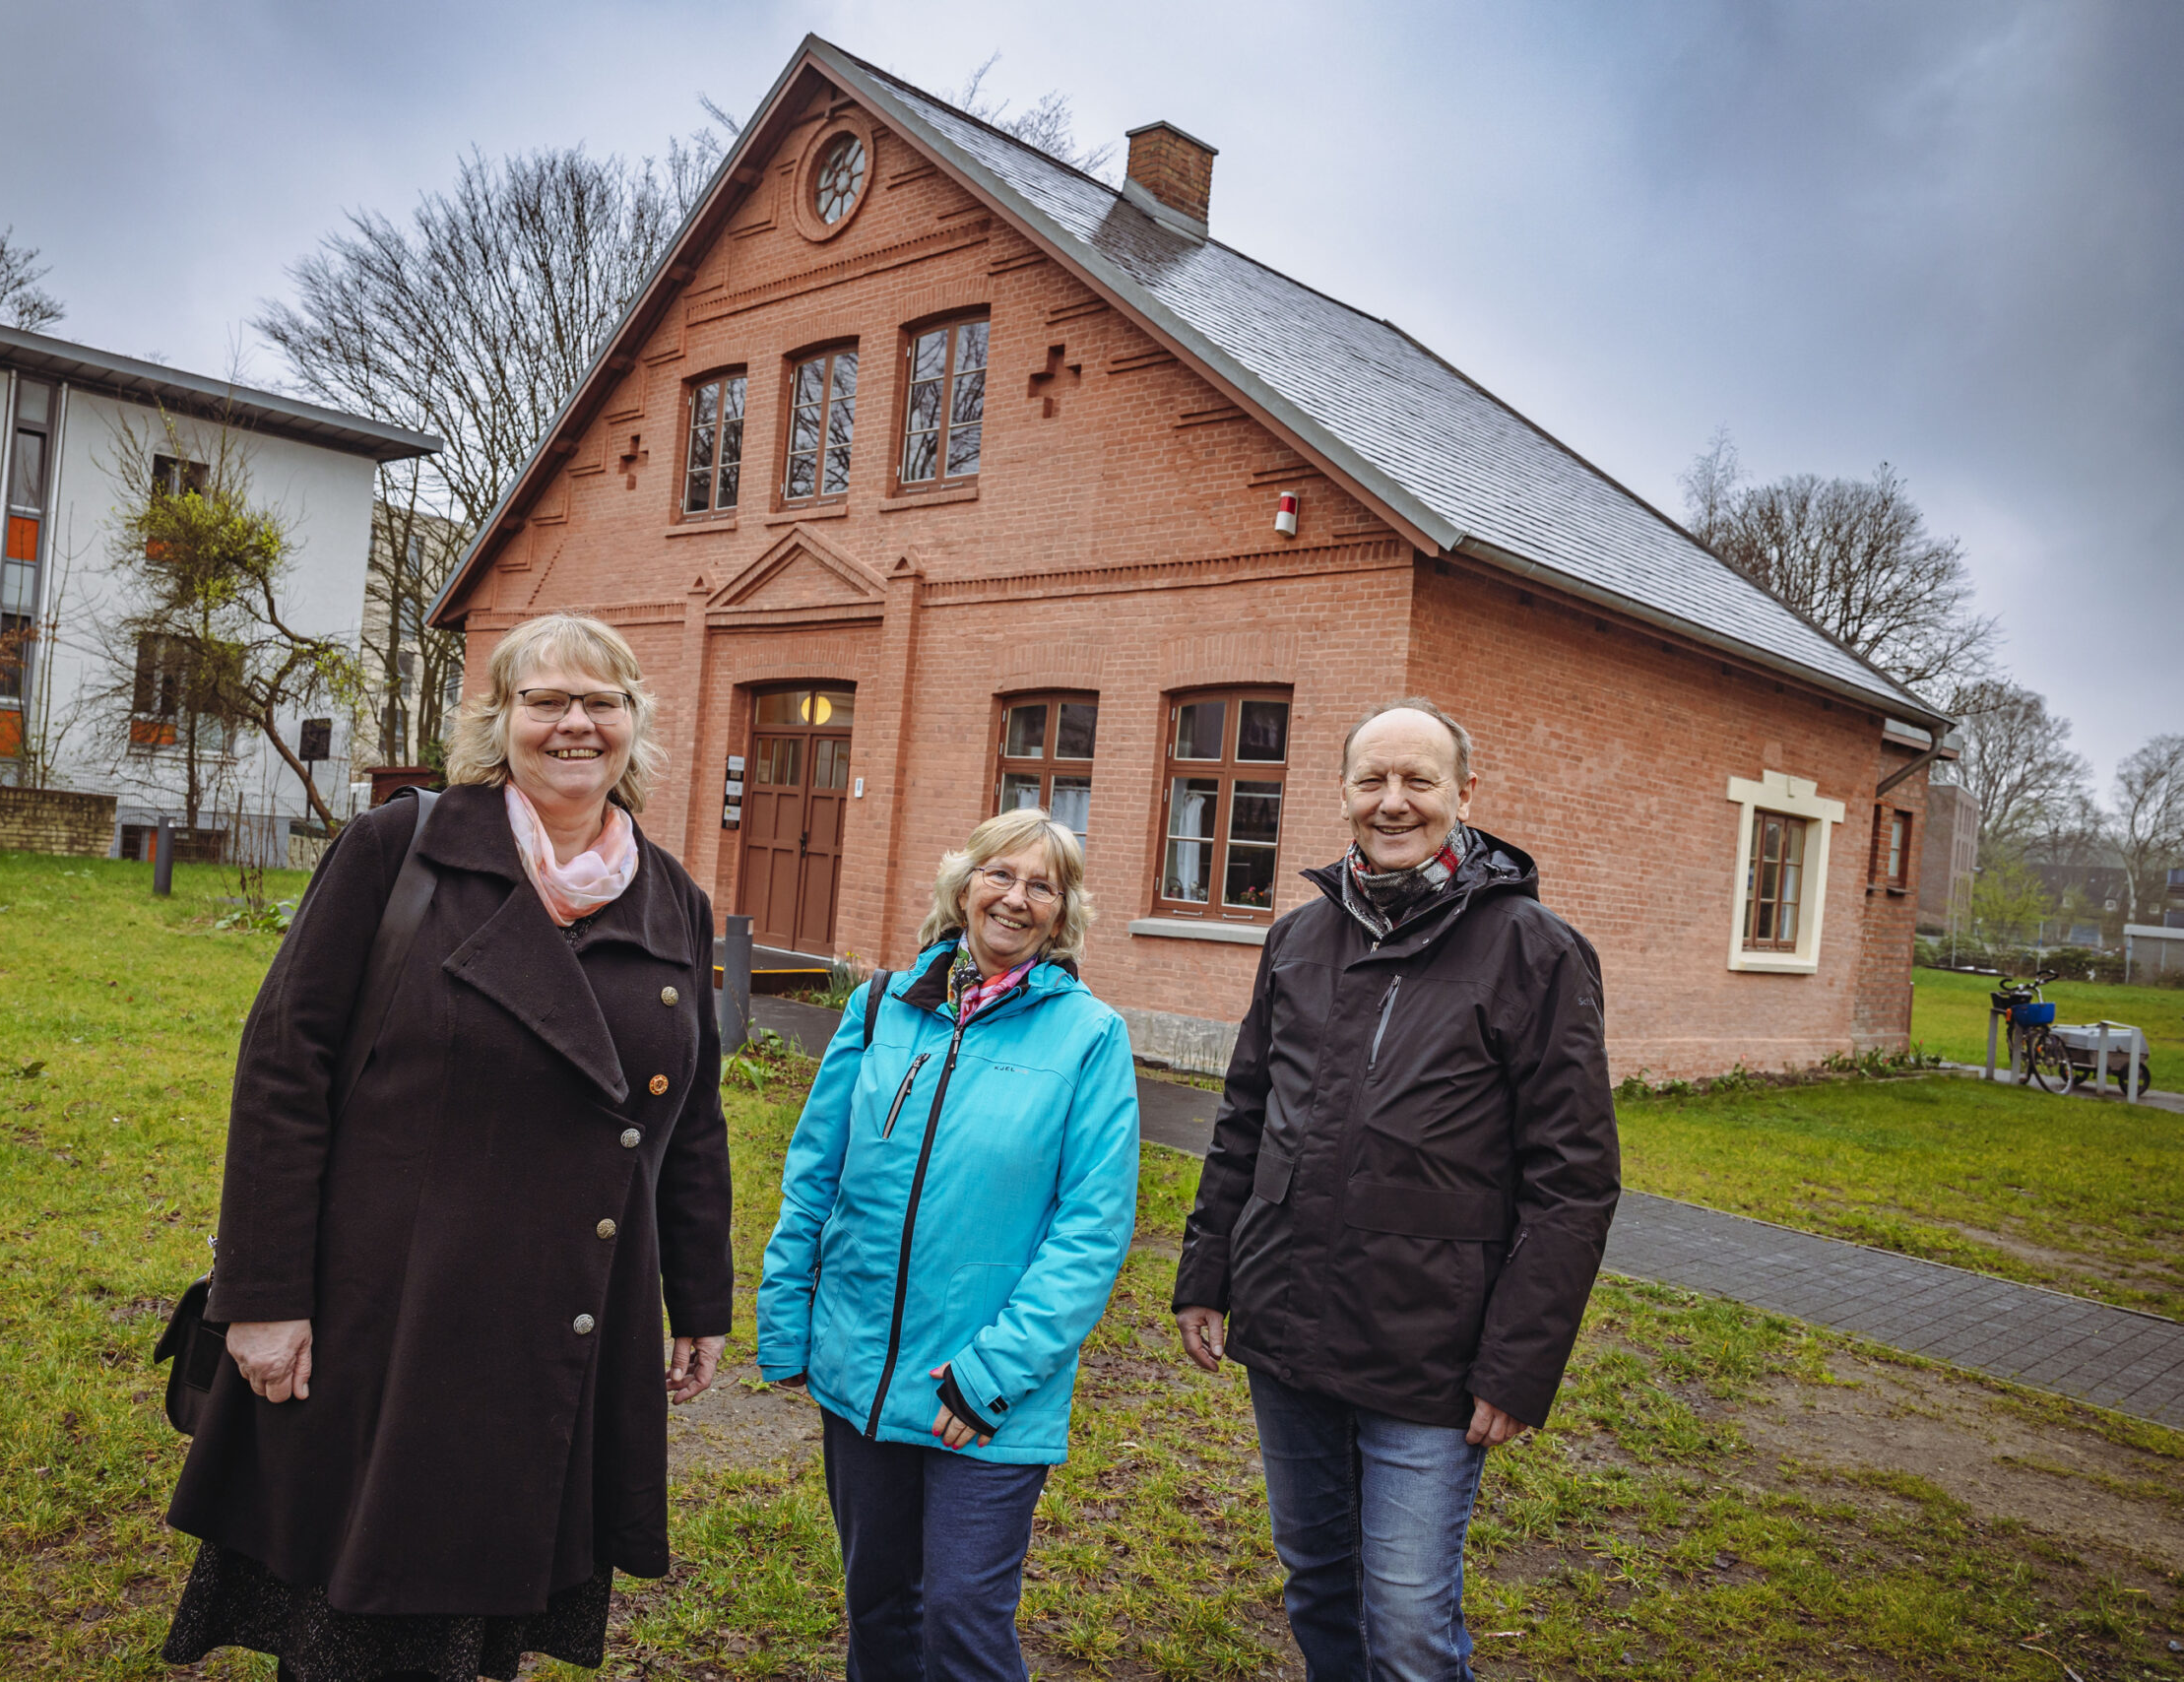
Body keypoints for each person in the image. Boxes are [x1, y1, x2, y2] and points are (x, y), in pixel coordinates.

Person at [161, 613, 734, 1681]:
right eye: (546, 700)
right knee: (359, 1622)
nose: (575, 723)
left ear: (633, 725)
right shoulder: (403, 848)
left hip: (561, 1313)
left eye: (600, 702)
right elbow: (284, 1067)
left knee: (480, 1625)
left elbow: (690, 1118)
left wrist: (698, 1298)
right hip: (391, 1311)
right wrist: (265, 1292)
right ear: (498, 721)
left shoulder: (675, 901)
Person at [1172, 698, 1619, 1682]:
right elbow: (1245, 1116)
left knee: (1410, 1621)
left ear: (1465, 794)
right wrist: (1206, 1272)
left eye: (1417, 779)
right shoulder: (1296, 940)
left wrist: (1518, 1364)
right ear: (1340, 793)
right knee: (1318, 1585)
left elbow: (1573, 1181)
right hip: (1287, 1327)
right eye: (1371, 779)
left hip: (1432, 1350)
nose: (1392, 800)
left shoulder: (1534, 951)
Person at [757, 808, 1140, 1682]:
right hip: (861, 1370)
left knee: (965, 1624)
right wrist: (787, 1320)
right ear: (963, 884)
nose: (1015, 898)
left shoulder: (1089, 1037)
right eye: (999, 874)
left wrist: (990, 1375)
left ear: (1063, 911)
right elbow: (814, 1171)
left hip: (986, 1391)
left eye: (1041, 884)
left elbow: (1091, 1230)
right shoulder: (883, 1004)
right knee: (880, 1609)